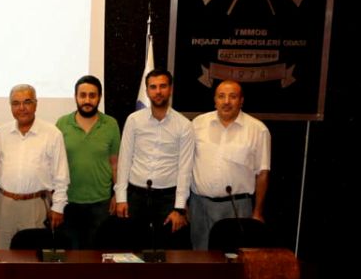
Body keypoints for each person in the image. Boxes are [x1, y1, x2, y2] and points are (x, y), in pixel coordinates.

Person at [0, 84, 69, 249]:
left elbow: (61, 176)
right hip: (4, 205)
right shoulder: (1, 134)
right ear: (10, 107)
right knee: (3, 256)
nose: (21, 108)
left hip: (36, 205)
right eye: (16, 103)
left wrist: (58, 206)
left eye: (27, 102)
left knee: (32, 261)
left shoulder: (52, 134)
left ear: (36, 104)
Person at [115, 69, 194, 248]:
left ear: (170, 89)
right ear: (147, 90)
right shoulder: (134, 120)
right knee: (133, 250)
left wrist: (179, 208)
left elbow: (185, 169)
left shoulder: (184, 125)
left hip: (167, 200)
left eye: (163, 86)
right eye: (153, 87)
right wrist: (121, 197)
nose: (158, 91)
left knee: (164, 254)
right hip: (136, 197)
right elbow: (125, 159)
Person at [189, 80, 270, 250]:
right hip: (200, 206)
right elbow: (185, 164)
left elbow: (262, 174)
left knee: (232, 260)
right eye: (221, 96)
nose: (226, 101)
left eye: (232, 97)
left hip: (237, 207)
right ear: (215, 100)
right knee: (200, 258)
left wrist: (257, 212)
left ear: (241, 101)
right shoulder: (197, 124)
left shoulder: (258, 130)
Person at [54, 75, 120, 249]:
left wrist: (117, 194)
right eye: (83, 95)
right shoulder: (62, 124)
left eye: (92, 95)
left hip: (101, 203)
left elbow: (115, 164)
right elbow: (53, 164)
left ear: (99, 97)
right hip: (68, 202)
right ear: (75, 97)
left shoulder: (111, 124)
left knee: (97, 255)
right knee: (71, 256)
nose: (87, 100)